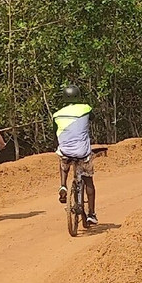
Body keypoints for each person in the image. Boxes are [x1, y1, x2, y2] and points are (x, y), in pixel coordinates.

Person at [53, 84, 97, 226]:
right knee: (88, 180)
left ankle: (63, 185)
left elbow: (55, 131)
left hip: (66, 150)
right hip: (82, 152)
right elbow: (93, 118)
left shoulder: (57, 114)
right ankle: (91, 214)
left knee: (63, 158)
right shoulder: (85, 108)